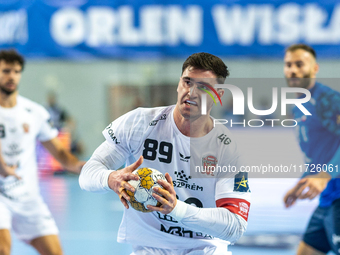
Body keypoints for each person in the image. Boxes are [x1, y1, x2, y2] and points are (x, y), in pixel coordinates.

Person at [79, 52, 251, 255]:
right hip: (150, 247)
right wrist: (111, 178)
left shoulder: (228, 148)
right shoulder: (139, 123)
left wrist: (176, 208)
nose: (192, 92)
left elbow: (236, 225)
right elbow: (87, 173)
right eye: (188, 82)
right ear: (179, 84)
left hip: (204, 248)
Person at [0, 49, 84, 255]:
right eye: (6, 71)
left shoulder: (35, 112)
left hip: (28, 198)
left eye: (17, 71)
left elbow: (62, 155)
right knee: (3, 248)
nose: (12, 76)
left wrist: (91, 168)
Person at [283, 44, 340, 255]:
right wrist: (303, 181)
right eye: (289, 65)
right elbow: (320, 153)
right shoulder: (298, 105)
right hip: (328, 200)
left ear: (314, 68)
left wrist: (325, 175)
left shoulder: (327, 100)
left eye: (300, 64)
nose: (293, 70)